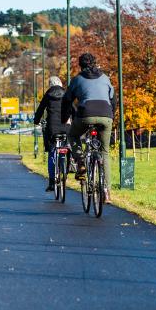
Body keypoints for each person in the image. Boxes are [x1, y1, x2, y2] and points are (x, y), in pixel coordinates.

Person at [61, 53, 116, 202]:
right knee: (104, 152)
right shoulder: (105, 78)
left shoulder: (77, 79)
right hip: (106, 115)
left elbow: (67, 100)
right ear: (95, 63)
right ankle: (106, 192)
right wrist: (112, 116)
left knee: (73, 135)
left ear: (80, 65)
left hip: (85, 114)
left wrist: (64, 118)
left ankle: (81, 163)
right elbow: (113, 99)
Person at [34, 76, 69, 191]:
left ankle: (51, 182)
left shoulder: (48, 95)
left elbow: (40, 109)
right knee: (65, 147)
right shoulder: (66, 94)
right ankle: (65, 169)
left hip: (52, 128)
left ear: (50, 85)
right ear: (60, 84)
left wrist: (36, 121)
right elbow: (73, 109)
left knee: (51, 152)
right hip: (65, 126)